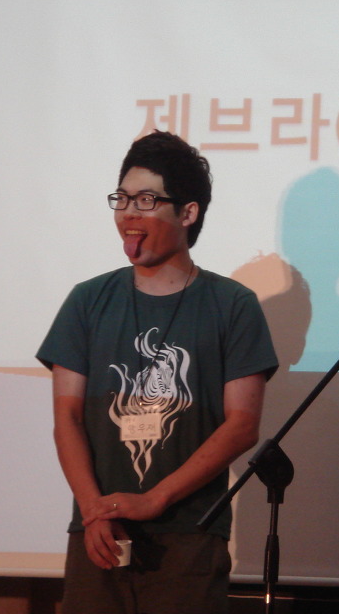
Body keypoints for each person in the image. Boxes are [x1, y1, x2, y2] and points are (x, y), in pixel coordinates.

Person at [37, 131, 278, 614]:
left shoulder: (232, 305)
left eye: (146, 200)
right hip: (98, 533)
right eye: (122, 199)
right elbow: (67, 417)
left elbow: (242, 426)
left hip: (189, 537)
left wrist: (156, 499)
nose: (129, 213)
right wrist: (93, 510)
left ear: (187, 213)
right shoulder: (87, 301)